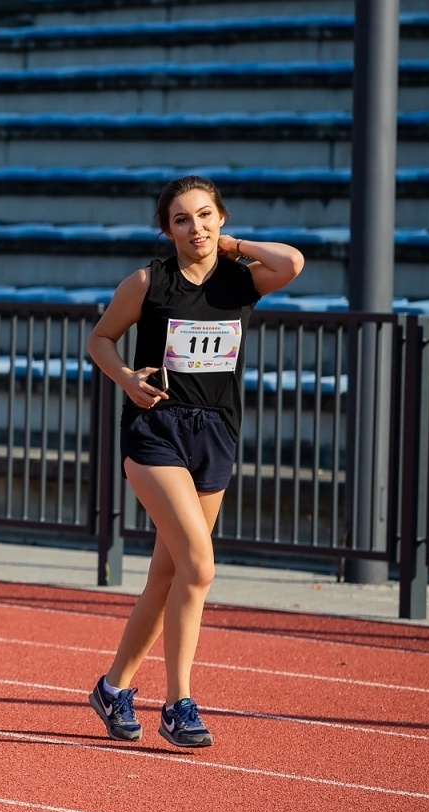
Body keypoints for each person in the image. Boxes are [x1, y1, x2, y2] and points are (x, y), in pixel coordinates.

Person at [86, 175, 302, 748]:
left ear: (222, 219)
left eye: (205, 216)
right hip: (156, 432)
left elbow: (293, 262)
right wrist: (127, 378)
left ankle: (112, 688)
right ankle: (179, 702)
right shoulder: (147, 282)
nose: (196, 228)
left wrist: (236, 248)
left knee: (169, 571)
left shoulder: (240, 280)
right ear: (167, 230)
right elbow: (100, 339)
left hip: (216, 434)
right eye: (182, 220)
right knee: (199, 566)